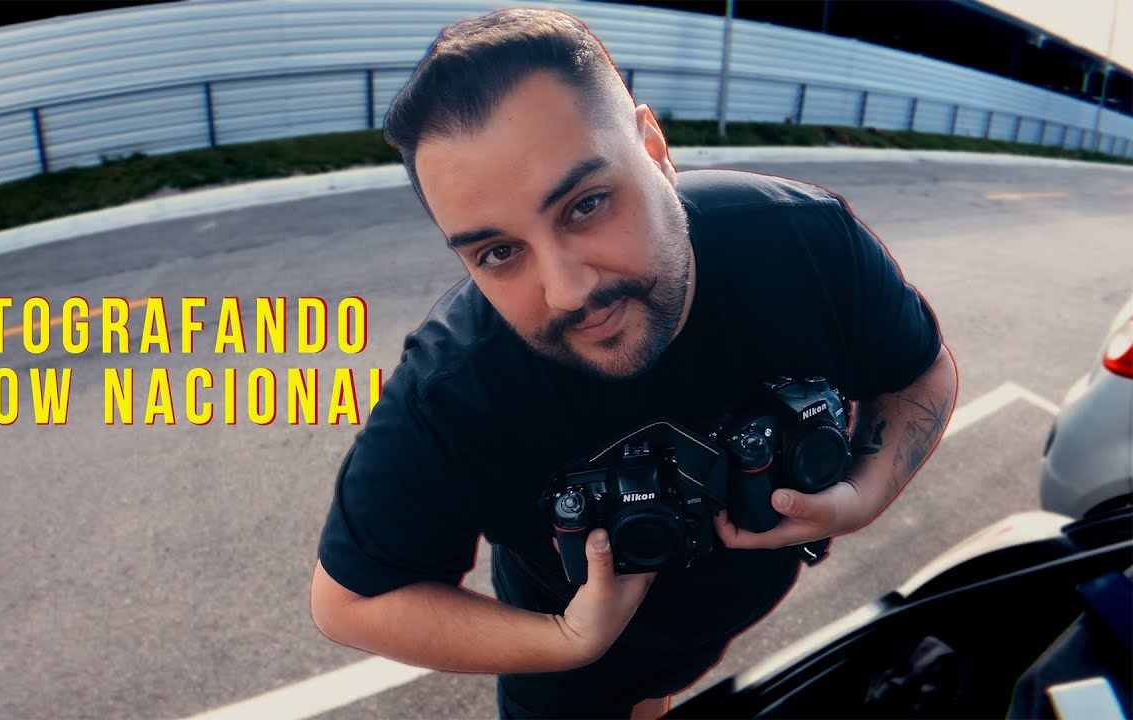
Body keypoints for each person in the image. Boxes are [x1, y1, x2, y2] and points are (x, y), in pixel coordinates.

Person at [309, 7, 957, 719]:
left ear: (653, 150)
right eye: (497, 253)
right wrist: (567, 640)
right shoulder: (458, 389)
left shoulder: (803, 243)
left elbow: (919, 373)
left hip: (735, 616)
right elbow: (349, 600)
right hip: (582, 683)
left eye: (586, 205)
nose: (567, 290)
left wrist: (864, 495)